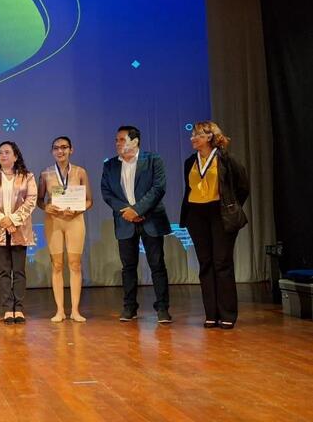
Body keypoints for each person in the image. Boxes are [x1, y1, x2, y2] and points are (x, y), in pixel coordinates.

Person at [179, 121, 249, 329]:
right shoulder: (190, 161)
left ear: (209, 137)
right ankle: (211, 314)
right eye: (192, 135)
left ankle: (227, 314)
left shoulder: (226, 159)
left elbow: (243, 186)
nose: (192, 138)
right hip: (196, 215)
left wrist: (231, 206)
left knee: (222, 263)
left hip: (220, 214)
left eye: (197, 135)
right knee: (206, 264)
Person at [101, 126, 173, 323]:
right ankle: (129, 307)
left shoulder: (153, 160)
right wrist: (128, 212)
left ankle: (162, 308)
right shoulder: (110, 165)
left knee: (157, 265)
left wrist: (138, 210)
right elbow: (107, 192)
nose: (117, 143)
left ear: (135, 141)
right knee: (128, 267)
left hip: (151, 219)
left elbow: (158, 188)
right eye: (116, 140)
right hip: (125, 220)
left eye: (122, 139)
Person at [37, 136, 93, 323]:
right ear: (52, 151)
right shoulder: (45, 174)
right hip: (54, 221)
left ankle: (75, 310)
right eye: (56, 148)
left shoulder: (80, 172)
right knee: (57, 265)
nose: (60, 151)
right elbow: (39, 200)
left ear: (71, 150)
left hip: (75, 221)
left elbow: (89, 200)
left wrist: (77, 209)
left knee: (75, 264)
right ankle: (60, 310)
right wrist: (46, 207)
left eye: (64, 147)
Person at [0, 141, 37, 324]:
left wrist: (13, 220)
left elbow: (31, 200)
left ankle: (18, 308)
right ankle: (7, 309)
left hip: (19, 229)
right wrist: (3, 220)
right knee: (4, 271)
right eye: (0, 153)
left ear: (15, 156)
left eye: (7, 152)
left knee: (19, 271)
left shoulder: (27, 177)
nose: (3, 155)